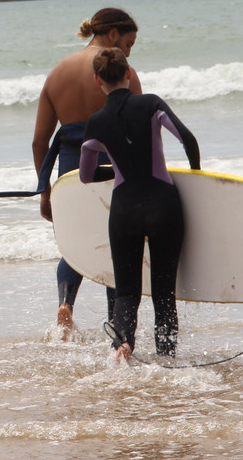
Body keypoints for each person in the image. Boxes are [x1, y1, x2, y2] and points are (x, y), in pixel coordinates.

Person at [80, 46, 200, 361]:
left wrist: (119, 167)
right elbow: (187, 139)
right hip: (164, 205)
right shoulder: (151, 104)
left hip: (124, 212)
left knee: (127, 294)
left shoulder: (96, 122)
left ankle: (121, 348)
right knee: (163, 296)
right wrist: (197, 178)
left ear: (97, 80)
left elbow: (86, 175)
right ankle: (166, 360)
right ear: (129, 74)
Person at [32, 8, 141, 338]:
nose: (128, 51)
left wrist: (46, 191)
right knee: (115, 246)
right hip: (112, 170)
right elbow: (140, 132)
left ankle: (65, 304)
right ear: (112, 36)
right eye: (129, 42)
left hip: (69, 172)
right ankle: (115, 325)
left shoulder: (57, 73)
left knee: (73, 244)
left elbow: (39, 141)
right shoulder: (123, 72)